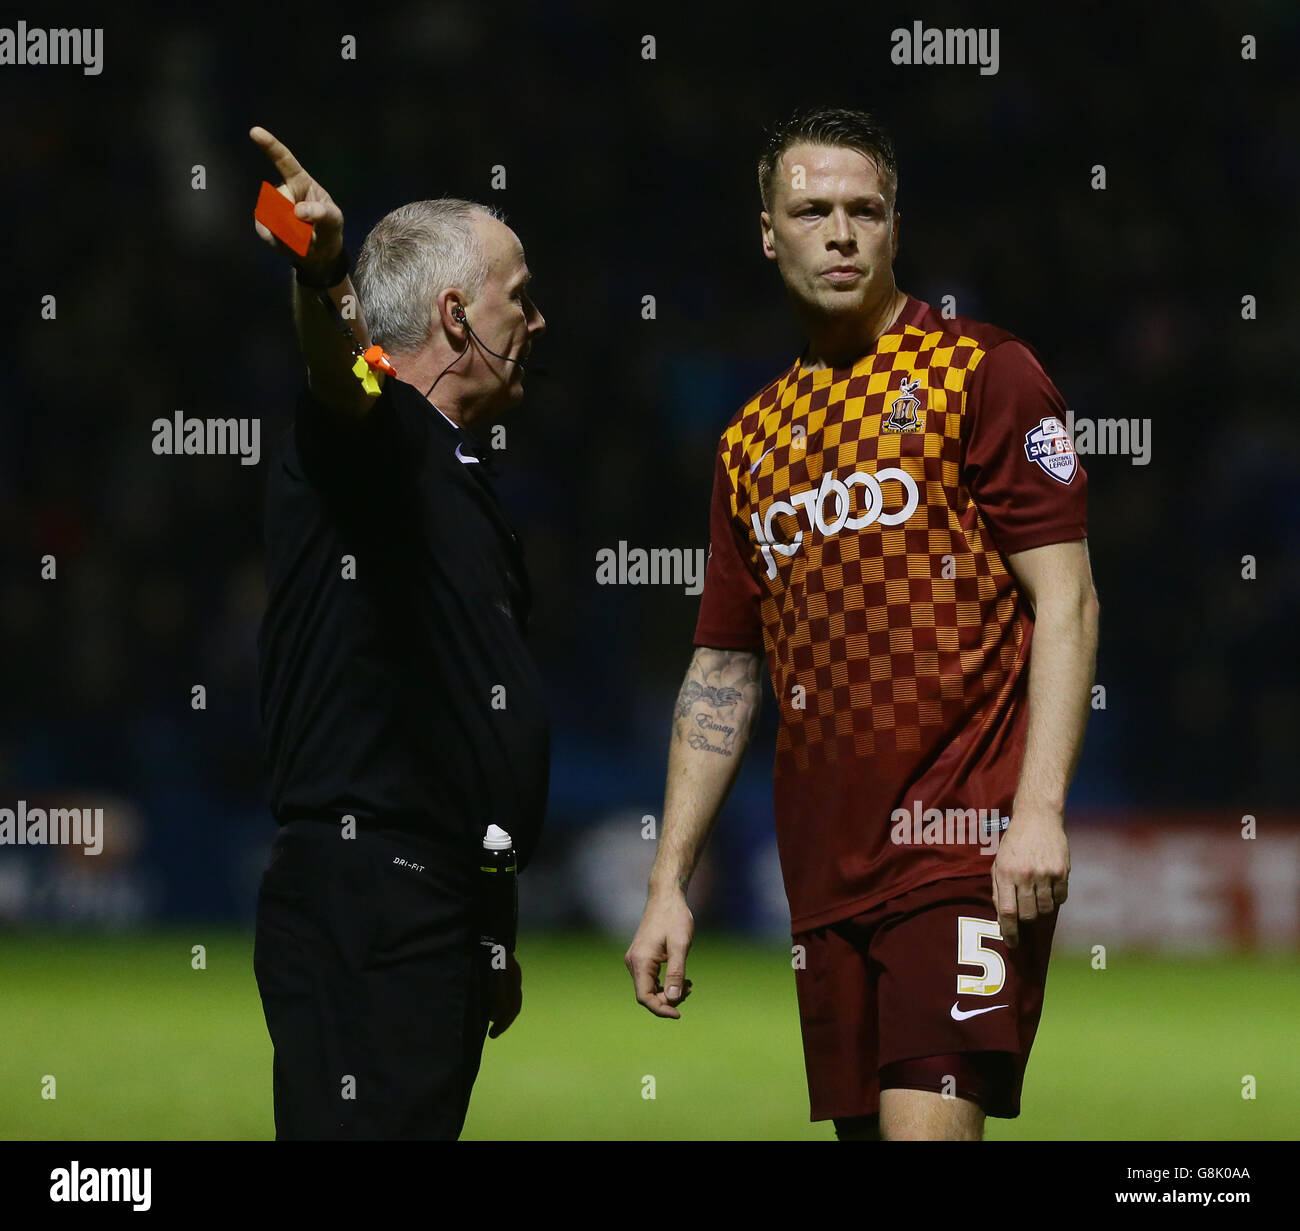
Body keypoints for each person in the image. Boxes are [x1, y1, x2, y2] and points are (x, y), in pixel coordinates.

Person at [626, 106, 1099, 1141]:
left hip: (958, 844)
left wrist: (1037, 811)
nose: (838, 232)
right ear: (768, 231)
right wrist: (668, 884)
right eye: (811, 210)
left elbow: (1066, 597)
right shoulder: (750, 442)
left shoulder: (981, 373)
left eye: (863, 210)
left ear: (893, 228)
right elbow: (720, 669)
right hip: (824, 870)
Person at [247, 126, 549, 1140]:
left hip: (434, 906)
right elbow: (342, 380)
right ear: (458, 314)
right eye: (522, 296)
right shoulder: (372, 441)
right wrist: (324, 271)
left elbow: (471, 734)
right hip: (368, 896)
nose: (539, 319)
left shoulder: (459, 477)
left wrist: (492, 929)